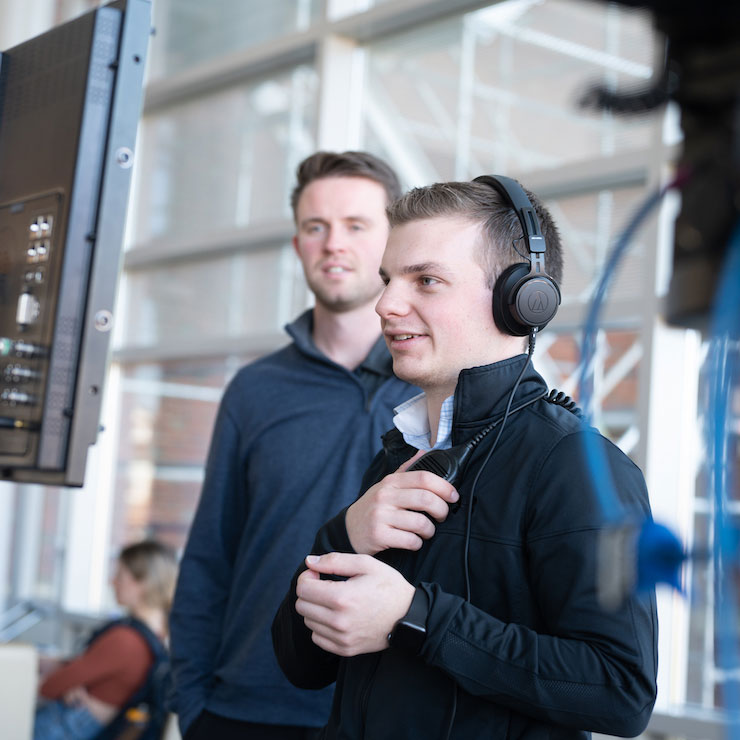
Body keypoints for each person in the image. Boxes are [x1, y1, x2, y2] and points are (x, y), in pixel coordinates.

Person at [272, 177, 659, 739]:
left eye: (426, 280)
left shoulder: (575, 467)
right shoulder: (400, 454)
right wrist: (342, 535)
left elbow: (621, 691)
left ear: (521, 300)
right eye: (388, 280)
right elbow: (301, 666)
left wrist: (415, 618)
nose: (386, 304)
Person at [168, 151, 418, 740]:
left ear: (392, 242)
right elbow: (209, 555)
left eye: (356, 225)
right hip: (246, 709)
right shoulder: (255, 390)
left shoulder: (436, 382)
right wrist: (192, 701)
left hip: (388, 711)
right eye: (316, 227)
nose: (334, 243)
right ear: (298, 243)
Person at [34, 539, 178, 740]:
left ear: (142, 583)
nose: (112, 582)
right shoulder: (161, 636)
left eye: (120, 576)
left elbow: (49, 686)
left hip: (63, 727)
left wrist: (68, 682)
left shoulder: (126, 640)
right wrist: (73, 681)